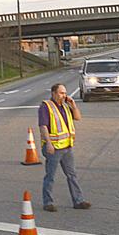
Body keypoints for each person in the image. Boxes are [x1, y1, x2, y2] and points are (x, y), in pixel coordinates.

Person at [38, 83, 90, 212]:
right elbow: (43, 126)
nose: (64, 95)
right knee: (50, 176)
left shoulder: (66, 107)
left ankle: (78, 201)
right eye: (61, 93)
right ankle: (48, 202)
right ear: (54, 93)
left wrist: (74, 106)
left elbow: (78, 118)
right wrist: (48, 143)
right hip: (54, 148)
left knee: (72, 175)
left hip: (67, 147)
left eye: (65, 93)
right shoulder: (46, 107)